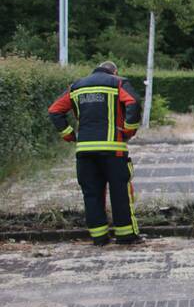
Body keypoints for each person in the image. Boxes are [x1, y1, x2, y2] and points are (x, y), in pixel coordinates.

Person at [48, 60, 143, 246]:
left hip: (84, 150)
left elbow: (54, 111)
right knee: (120, 192)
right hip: (113, 149)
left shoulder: (76, 86)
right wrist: (128, 130)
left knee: (91, 194)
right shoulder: (118, 82)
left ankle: (99, 237)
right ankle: (125, 236)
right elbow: (133, 102)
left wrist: (69, 135)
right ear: (114, 71)